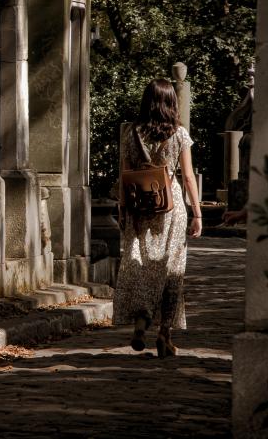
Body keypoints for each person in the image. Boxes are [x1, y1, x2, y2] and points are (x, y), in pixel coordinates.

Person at [115, 78, 202, 358]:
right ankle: (164, 334)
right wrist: (197, 213)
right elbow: (187, 177)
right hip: (171, 206)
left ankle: (141, 324)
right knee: (171, 269)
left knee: (142, 266)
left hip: (140, 205)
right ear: (171, 102)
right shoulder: (179, 134)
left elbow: (124, 174)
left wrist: (123, 209)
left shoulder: (131, 133)